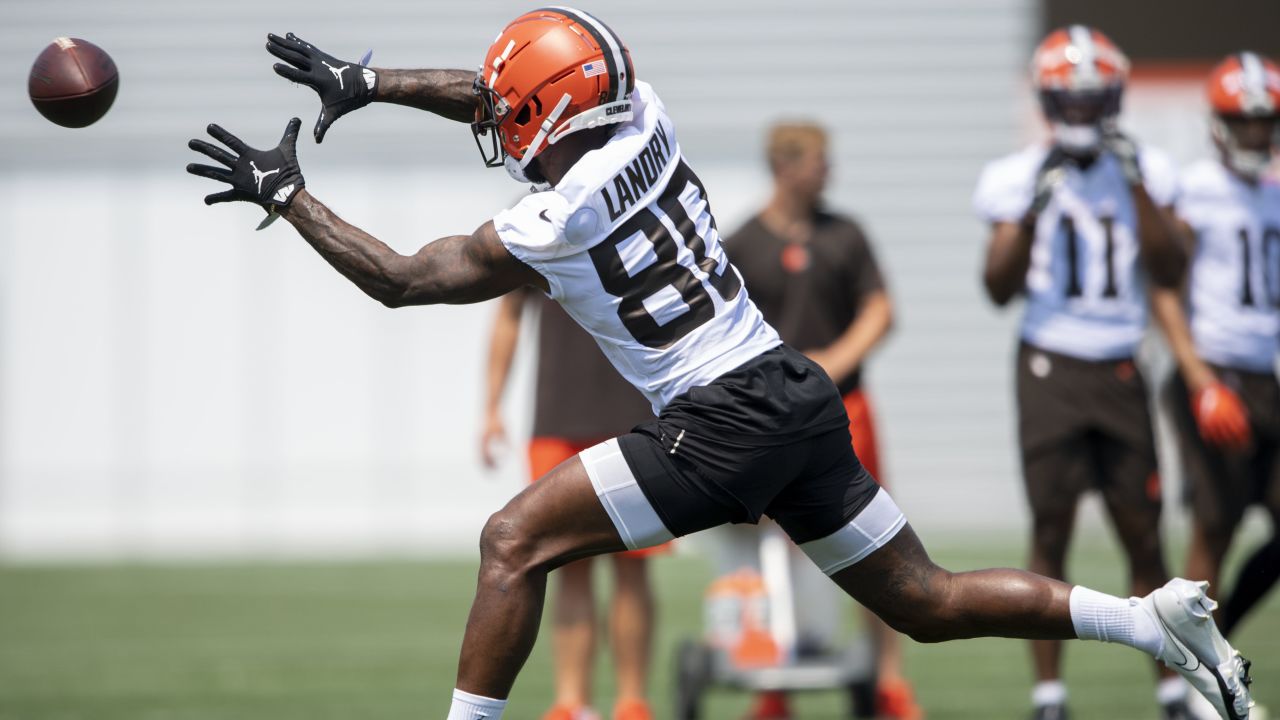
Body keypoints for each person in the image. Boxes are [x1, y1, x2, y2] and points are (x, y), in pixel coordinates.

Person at [184, 10, 1253, 720]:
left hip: (721, 413)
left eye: (515, 116)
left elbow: (404, 278)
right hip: (792, 390)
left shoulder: (554, 216)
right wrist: (368, 82)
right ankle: (1145, 618)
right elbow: (510, 92)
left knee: (509, 542)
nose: (498, 123)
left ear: (551, 118)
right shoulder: (642, 111)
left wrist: (291, 197)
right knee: (924, 601)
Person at [972, 25, 1204, 720]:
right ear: (1048, 102)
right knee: (1051, 526)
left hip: (1121, 363)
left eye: (1092, 99)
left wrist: (1135, 182)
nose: (1081, 113)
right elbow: (996, 287)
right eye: (1069, 101)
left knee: (1142, 529)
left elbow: (1170, 266)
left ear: (1114, 99)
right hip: (1048, 362)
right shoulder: (1014, 175)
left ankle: (1170, 685)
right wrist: (1033, 207)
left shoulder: (1147, 169)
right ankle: (1049, 693)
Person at [722, 121, 921, 720]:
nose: (828, 172)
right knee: (768, 549)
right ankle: (772, 686)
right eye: (818, 162)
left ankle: (887, 681)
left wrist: (835, 361)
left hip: (847, 410)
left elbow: (881, 310)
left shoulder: (846, 235)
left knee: (875, 541)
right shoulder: (741, 244)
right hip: (772, 417)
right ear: (785, 166)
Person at [1148, 51, 1280, 717]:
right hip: (1214, 372)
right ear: (1219, 124)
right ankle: (1201, 681)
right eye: (1245, 121)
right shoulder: (1194, 189)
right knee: (1216, 527)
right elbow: (1164, 289)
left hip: (1267, 375)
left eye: (1266, 121)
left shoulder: (1276, 191)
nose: (1258, 134)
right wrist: (1201, 381)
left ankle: (1213, 645)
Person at [481, 287, 661, 720]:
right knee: (565, 566)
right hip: (558, 417)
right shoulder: (534, 221)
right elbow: (510, 312)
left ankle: (632, 704)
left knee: (633, 564)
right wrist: (491, 407)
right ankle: (571, 703)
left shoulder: (645, 218)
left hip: (636, 410)